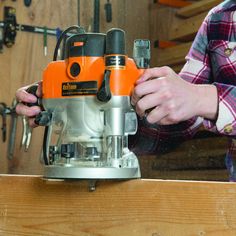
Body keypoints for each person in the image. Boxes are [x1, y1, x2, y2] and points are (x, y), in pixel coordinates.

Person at [16, 0, 236, 180]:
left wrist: (204, 97)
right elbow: (179, 120)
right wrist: (74, 100)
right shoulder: (219, 18)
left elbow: (195, 98)